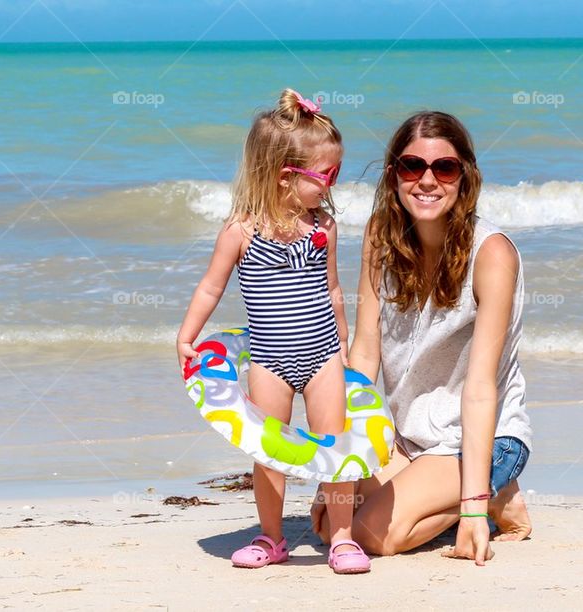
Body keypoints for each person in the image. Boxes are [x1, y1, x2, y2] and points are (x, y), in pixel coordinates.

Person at [312, 111, 533, 565]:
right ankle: (469, 495)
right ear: (394, 175)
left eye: (444, 168)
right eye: (413, 166)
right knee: (326, 520)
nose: (427, 181)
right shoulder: (382, 235)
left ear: (465, 177)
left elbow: (478, 390)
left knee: (370, 534)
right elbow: (366, 350)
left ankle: (487, 494)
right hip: (406, 435)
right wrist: (345, 445)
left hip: (479, 438)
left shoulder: (491, 255)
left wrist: (471, 510)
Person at [177, 89, 371, 574]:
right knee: (268, 453)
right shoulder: (240, 231)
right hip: (267, 358)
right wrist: (187, 337)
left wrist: (344, 346)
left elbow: (333, 289)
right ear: (286, 176)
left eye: (336, 172)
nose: (333, 183)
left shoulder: (322, 226)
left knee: (337, 447)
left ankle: (343, 538)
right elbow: (209, 288)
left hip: (323, 354)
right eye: (326, 174)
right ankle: (272, 536)